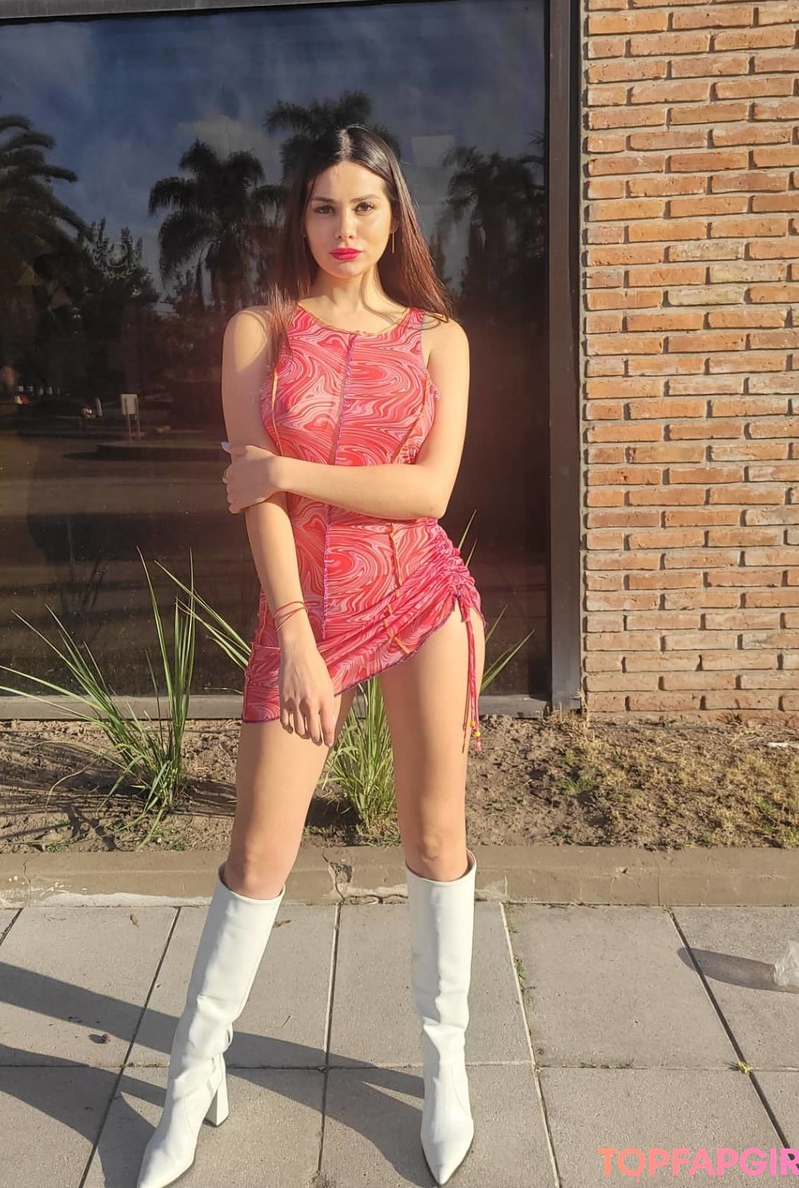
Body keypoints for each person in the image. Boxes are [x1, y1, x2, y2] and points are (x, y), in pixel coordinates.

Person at [136, 126, 486, 1188]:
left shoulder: (439, 339)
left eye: (365, 206)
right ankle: (192, 1077)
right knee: (258, 856)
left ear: (395, 217)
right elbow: (255, 504)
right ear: (301, 217)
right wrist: (294, 636)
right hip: (305, 611)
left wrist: (287, 468)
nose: (345, 227)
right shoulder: (260, 330)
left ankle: (445, 1067)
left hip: (420, 596)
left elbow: (428, 493)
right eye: (325, 206)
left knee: (435, 834)